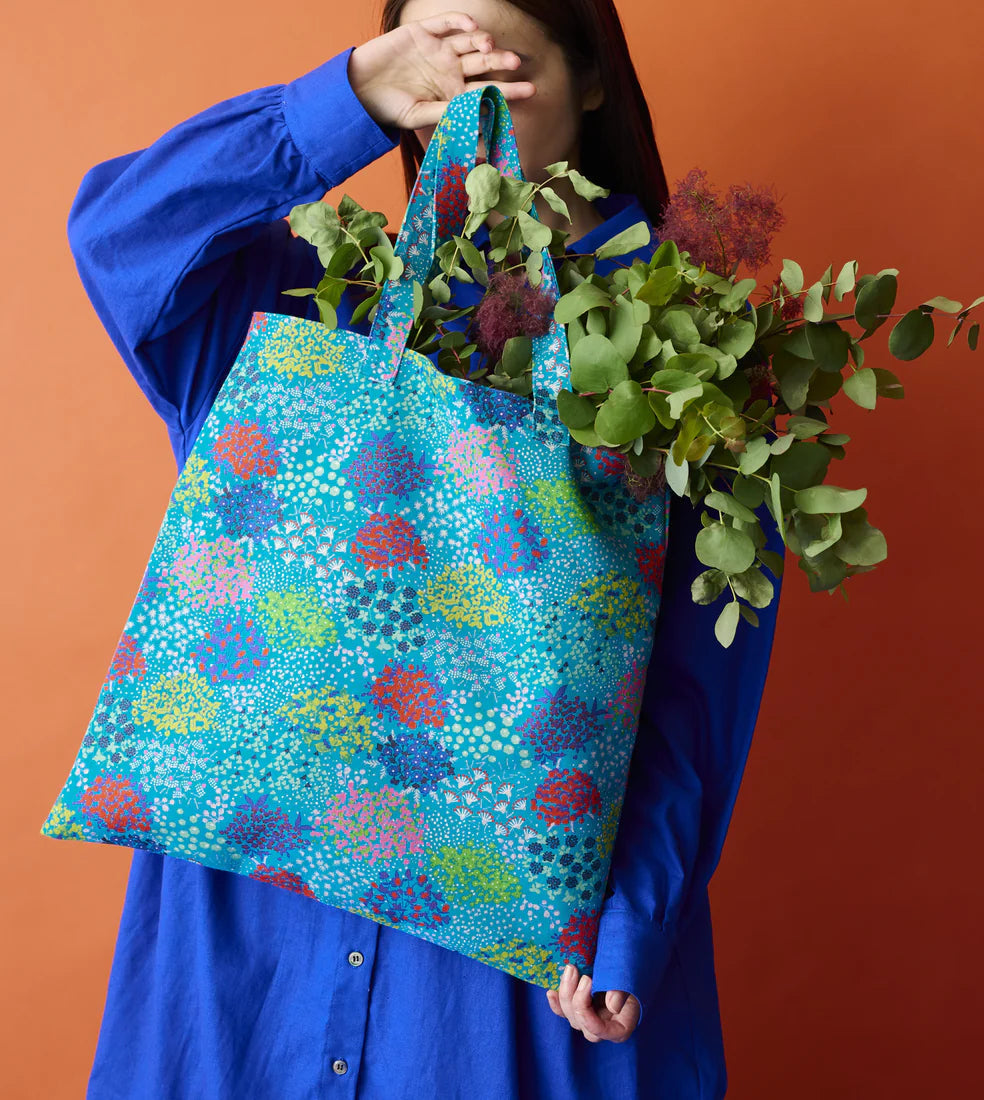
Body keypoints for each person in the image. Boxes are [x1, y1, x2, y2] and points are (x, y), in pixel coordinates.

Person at [67, 2, 784, 1096]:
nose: (461, 94)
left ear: (591, 79)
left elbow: (695, 690)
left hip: (510, 994)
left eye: (493, 62)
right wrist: (347, 98)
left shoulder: (686, 368)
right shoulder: (302, 308)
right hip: (240, 973)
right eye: (431, 56)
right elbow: (122, 237)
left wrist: (626, 924)